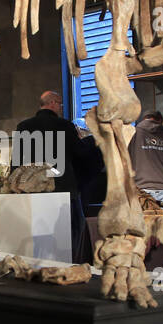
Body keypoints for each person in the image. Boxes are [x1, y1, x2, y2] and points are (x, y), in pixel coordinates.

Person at [14, 90, 98, 263]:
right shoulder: (64, 125)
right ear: (52, 103)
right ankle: (70, 264)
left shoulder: (23, 126)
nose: (61, 107)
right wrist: (92, 140)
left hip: (34, 189)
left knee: (39, 233)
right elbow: (80, 153)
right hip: (62, 187)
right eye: (60, 104)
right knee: (74, 228)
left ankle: (39, 265)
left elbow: (17, 158)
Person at [129, 110, 163, 209]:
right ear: (160, 120)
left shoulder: (133, 134)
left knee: (143, 219)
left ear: (144, 119)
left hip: (141, 192)